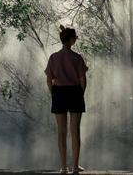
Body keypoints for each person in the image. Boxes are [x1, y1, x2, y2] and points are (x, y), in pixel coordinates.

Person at [44, 25, 89, 174]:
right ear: (70, 40)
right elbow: (83, 80)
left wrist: (54, 94)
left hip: (59, 93)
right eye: (74, 37)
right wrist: (80, 94)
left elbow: (49, 80)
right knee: (75, 131)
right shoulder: (77, 57)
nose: (75, 39)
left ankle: (64, 167)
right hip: (75, 92)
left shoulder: (53, 57)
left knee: (61, 132)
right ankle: (75, 166)